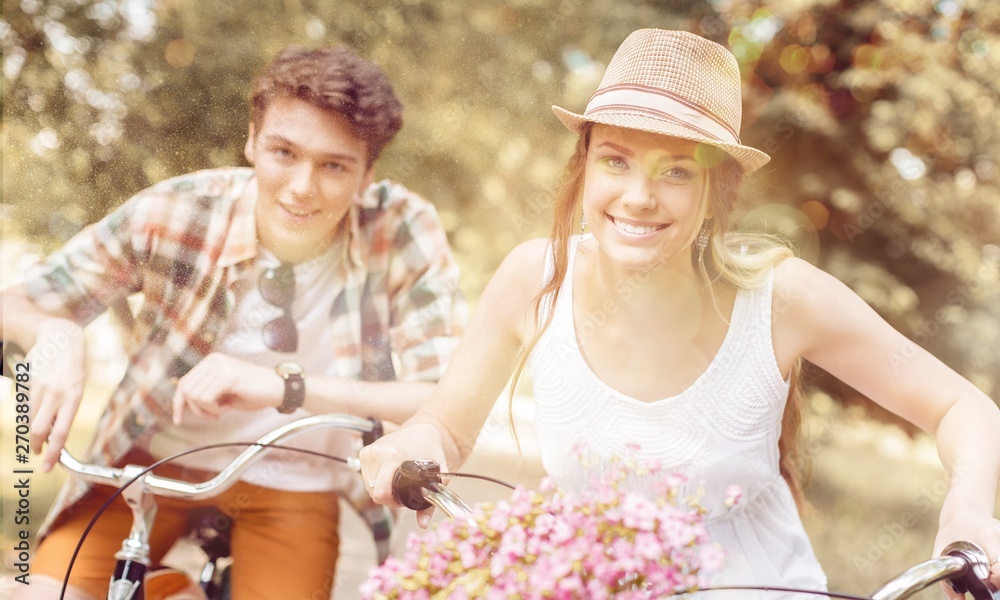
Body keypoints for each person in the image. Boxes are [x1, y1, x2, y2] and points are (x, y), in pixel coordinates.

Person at [359, 29, 1000, 598]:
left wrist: (966, 511)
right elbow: (447, 423)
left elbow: (962, 407)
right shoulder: (536, 279)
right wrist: (419, 439)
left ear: (716, 192)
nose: (638, 197)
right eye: (616, 160)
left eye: (676, 171)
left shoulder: (780, 298)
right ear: (583, 168)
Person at [2, 45, 466, 600]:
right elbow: (17, 304)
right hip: (155, 460)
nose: (301, 187)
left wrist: (282, 388)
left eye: (334, 165)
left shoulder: (401, 228)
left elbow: (444, 398)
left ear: (367, 173)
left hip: (298, 480)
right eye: (284, 152)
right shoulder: (179, 209)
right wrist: (58, 333)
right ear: (252, 138)